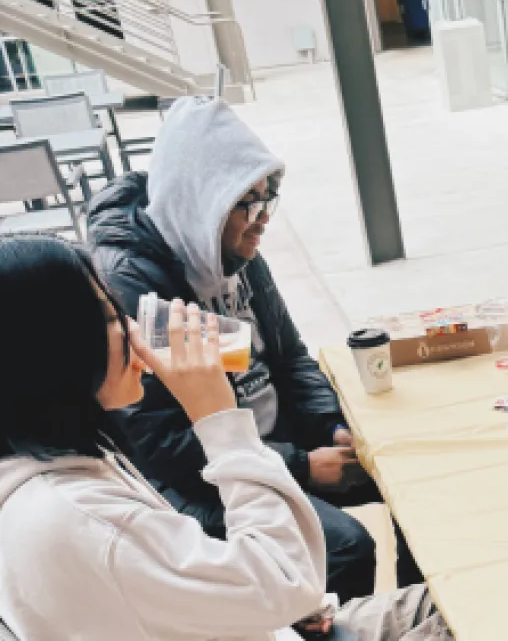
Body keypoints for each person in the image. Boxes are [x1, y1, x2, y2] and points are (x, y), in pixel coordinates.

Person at [0, 233, 451, 641]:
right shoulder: (78, 520)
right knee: (482, 614)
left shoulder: (50, 469)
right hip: (275, 593)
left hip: (275, 619)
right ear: (53, 353)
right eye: (108, 314)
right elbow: (287, 581)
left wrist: (273, 608)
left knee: (464, 592)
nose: (133, 328)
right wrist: (218, 416)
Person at [87, 96, 422, 600]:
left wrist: (332, 427)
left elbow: (290, 356)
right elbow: (159, 443)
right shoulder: (134, 287)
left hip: (272, 444)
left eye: (268, 199)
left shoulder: (237, 252)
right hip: (201, 480)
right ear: (202, 199)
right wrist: (302, 467)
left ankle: (418, 618)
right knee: (345, 546)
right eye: (247, 201)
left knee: (411, 482)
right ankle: (326, 625)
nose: (262, 218)